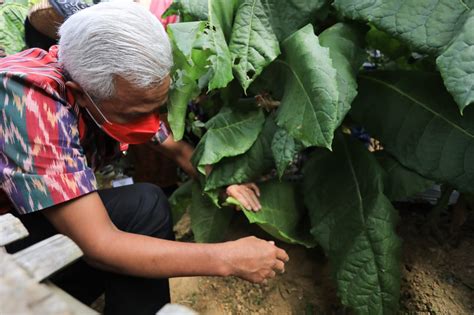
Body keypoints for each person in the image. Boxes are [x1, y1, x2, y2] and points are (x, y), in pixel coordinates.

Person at [0, 2, 289, 315]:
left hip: (24, 214)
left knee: (145, 204)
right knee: (121, 236)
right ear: (80, 93)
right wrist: (226, 259)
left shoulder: (97, 75)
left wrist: (221, 181)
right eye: (136, 114)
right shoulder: (27, 98)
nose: (149, 122)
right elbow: (100, 246)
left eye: (155, 108)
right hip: (6, 243)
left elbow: (177, 150)